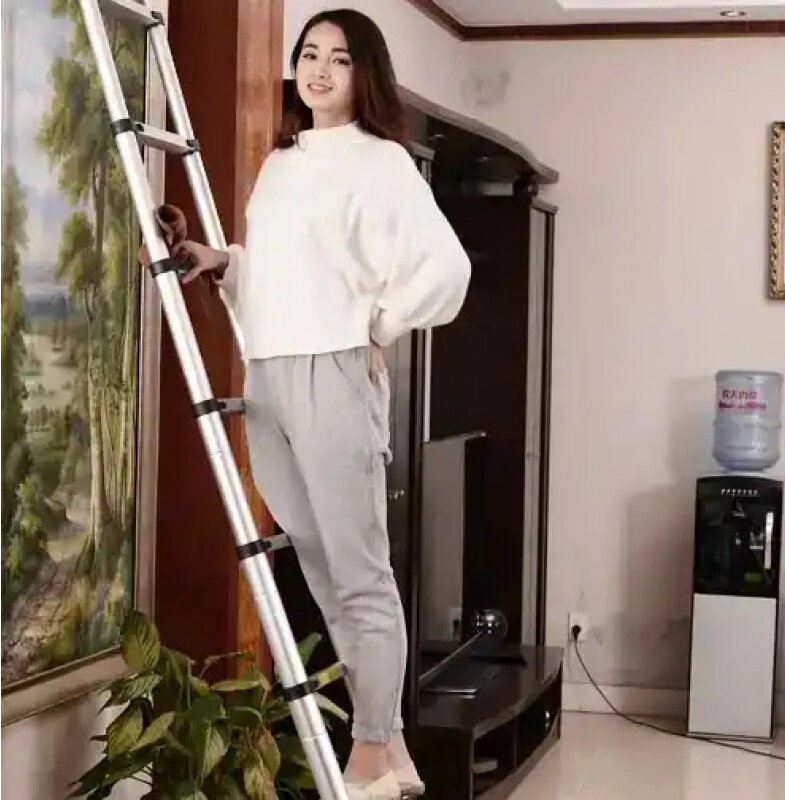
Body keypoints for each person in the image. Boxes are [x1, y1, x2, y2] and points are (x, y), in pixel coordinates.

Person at [148, 9, 470, 799]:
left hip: (332, 372)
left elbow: (447, 268)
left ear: (366, 74)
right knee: (323, 571)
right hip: (270, 373)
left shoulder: (382, 162)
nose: (320, 70)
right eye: (310, 54)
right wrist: (218, 258)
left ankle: (368, 751)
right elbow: (285, 268)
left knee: (360, 574)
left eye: (340, 58)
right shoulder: (283, 161)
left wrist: (377, 325)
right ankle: (392, 748)